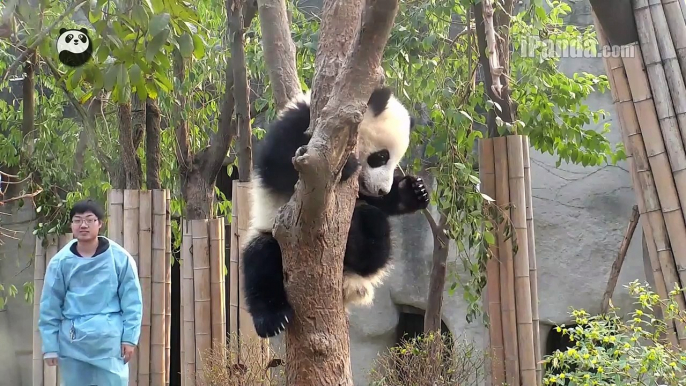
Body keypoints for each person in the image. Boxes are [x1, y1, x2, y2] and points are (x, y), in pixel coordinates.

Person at [38, 199, 143, 386]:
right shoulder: (60, 262)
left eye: (89, 219)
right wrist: (50, 347)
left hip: (109, 341)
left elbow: (132, 301)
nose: (83, 225)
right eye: (77, 220)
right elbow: (50, 305)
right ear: (71, 225)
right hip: (73, 342)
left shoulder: (120, 258)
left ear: (100, 224)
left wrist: (129, 338)